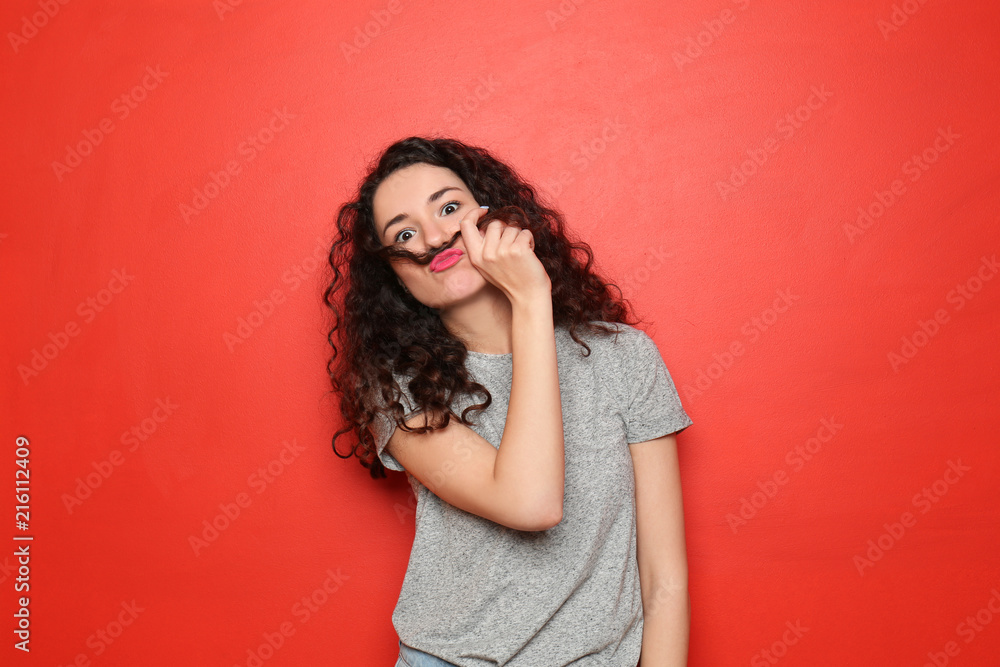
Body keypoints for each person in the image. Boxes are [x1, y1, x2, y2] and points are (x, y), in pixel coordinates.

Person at [326, 136, 693, 666]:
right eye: (404, 233)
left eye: (449, 207)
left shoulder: (623, 358)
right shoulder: (395, 389)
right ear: (395, 277)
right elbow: (531, 503)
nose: (434, 236)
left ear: (495, 215)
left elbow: (665, 575)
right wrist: (529, 299)